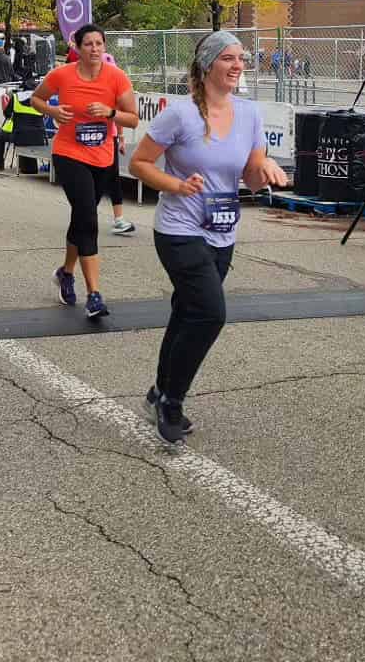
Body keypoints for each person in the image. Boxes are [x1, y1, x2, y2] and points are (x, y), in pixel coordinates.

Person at [128, 31, 287, 443]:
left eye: (241, 58)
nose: (238, 66)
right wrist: (176, 185)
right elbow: (139, 163)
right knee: (210, 313)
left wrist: (266, 169)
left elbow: (251, 176)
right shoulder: (180, 115)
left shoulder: (250, 113)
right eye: (228, 58)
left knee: (187, 311)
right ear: (207, 64)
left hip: (222, 230)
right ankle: (172, 402)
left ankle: (159, 390)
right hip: (179, 229)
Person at [29, 24, 139, 321]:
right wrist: (53, 111)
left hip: (102, 158)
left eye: (99, 44)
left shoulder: (116, 77)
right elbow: (36, 99)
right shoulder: (62, 75)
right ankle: (94, 295)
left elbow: (133, 119)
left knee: (81, 217)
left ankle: (66, 272)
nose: (94, 49)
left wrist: (110, 112)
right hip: (69, 154)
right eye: (88, 44)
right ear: (77, 48)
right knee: (88, 219)